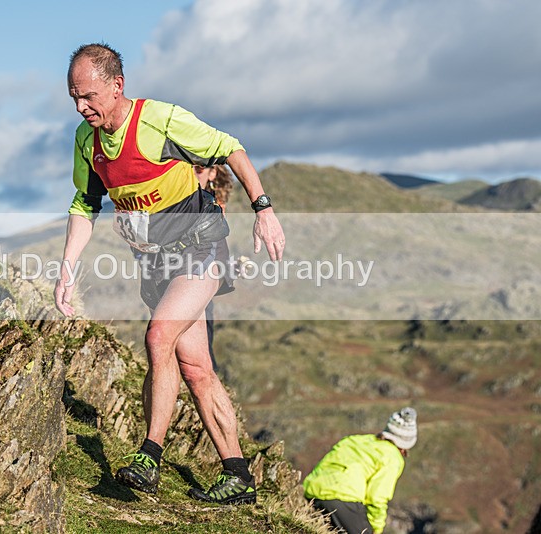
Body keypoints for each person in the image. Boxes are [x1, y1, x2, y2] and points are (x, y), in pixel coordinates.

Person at [55, 43, 285, 505]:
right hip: (154, 261)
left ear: (117, 86)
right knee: (196, 368)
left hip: (201, 248)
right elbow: (86, 202)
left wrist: (263, 208)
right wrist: (67, 266)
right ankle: (237, 473)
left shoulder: (159, 120)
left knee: (159, 336)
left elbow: (230, 148)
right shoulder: (88, 141)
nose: (82, 108)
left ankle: (149, 457)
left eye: (90, 97)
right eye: (74, 98)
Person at [303, 407, 418, 534]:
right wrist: (376, 528)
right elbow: (377, 497)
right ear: (404, 446)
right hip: (343, 500)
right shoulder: (392, 457)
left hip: (312, 493)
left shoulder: (355, 440)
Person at [194, 164, 234, 370]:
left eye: (199, 169)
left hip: (203, 274)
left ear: (213, 173)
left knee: (203, 337)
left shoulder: (214, 205)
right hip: (181, 272)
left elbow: (218, 245)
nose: (193, 173)